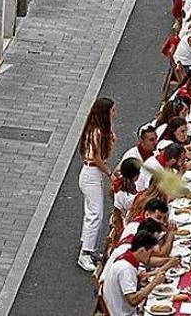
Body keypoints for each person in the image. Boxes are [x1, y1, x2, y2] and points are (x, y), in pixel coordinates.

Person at [77, 97, 117, 271]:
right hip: (92, 174)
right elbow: (97, 158)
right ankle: (85, 253)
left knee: (92, 212)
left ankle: (89, 247)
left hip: (92, 174)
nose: (114, 113)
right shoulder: (97, 132)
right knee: (96, 214)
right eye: (112, 111)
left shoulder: (98, 130)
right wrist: (110, 173)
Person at [101, 231, 168, 316]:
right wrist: (154, 283)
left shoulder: (128, 257)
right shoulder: (126, 269)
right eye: (150, 253)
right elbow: (133, 301)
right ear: (141, 250)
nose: (151, 256)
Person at [112, 158, 142, 222]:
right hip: (132, 220)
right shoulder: (132, 197)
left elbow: (117, 211)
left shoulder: (118, 186)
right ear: (135, 176)